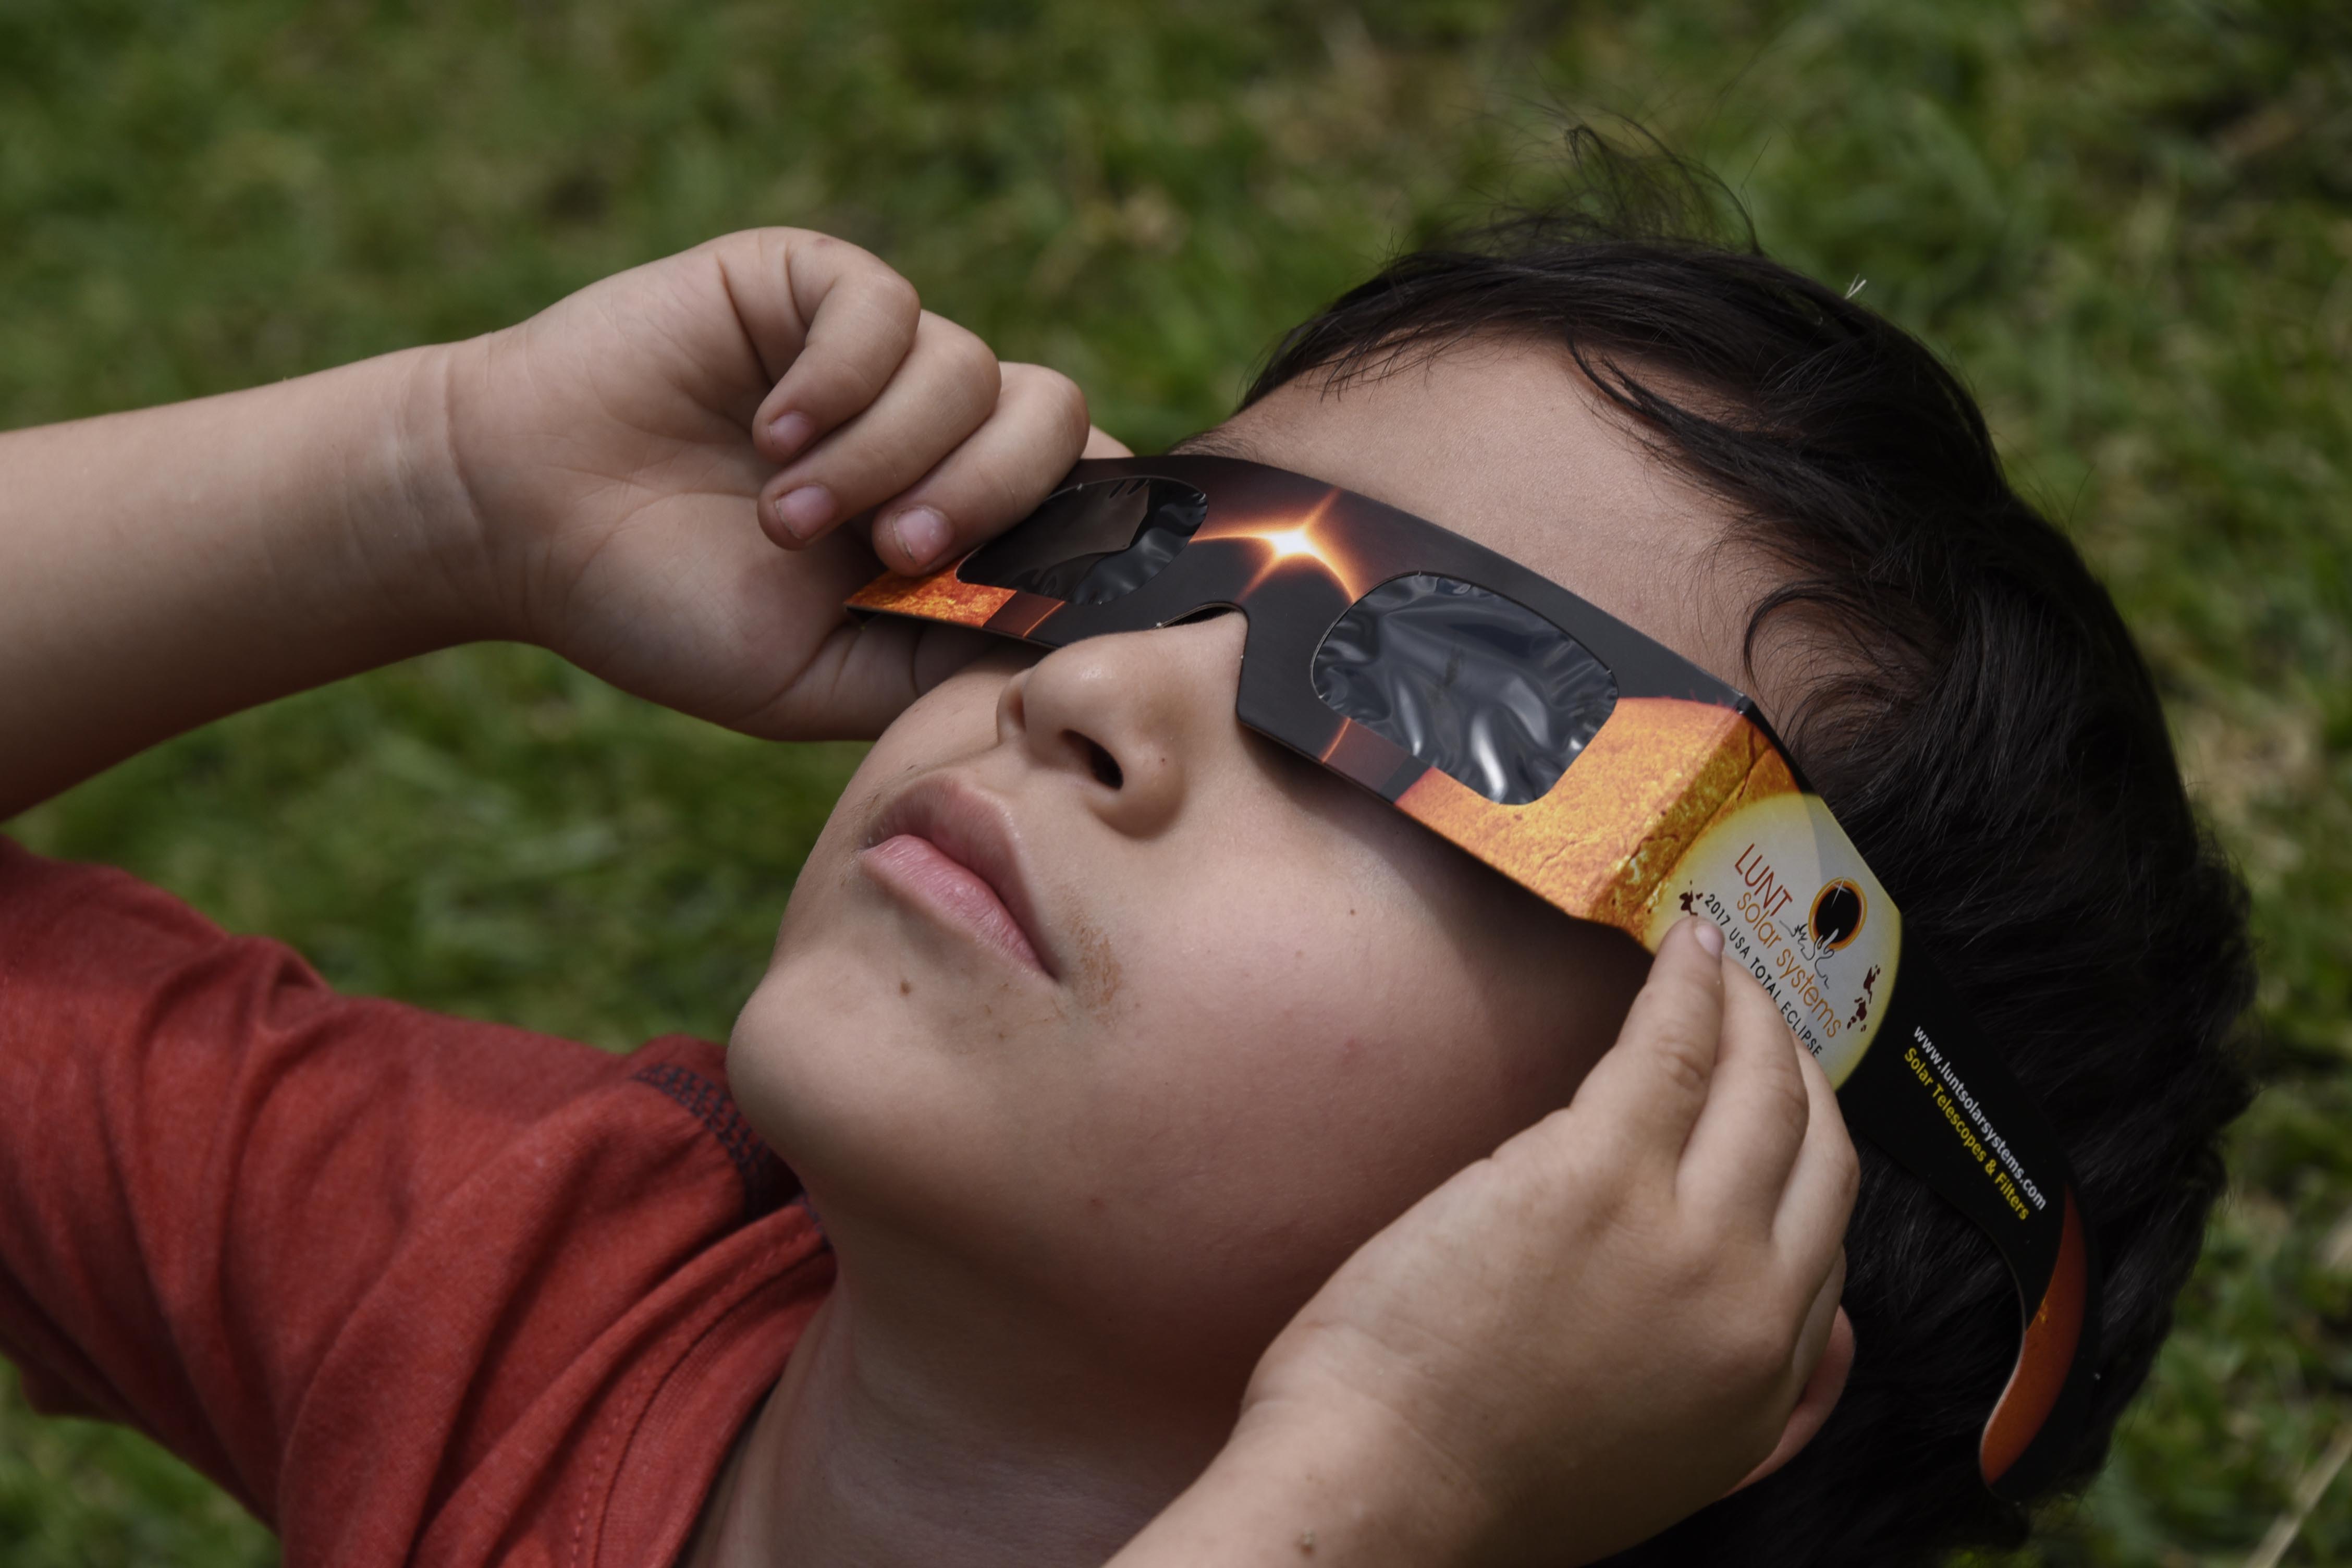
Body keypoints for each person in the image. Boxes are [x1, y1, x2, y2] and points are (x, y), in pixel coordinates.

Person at [0, 134, 2249, 1567]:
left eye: (1454, 735)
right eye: (1146, 554)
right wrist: (432, 484)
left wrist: (1374, 1503)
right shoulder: (551, 1290)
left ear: (1721, 1268)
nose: (1095, 687)